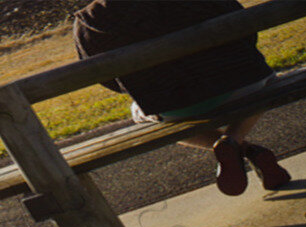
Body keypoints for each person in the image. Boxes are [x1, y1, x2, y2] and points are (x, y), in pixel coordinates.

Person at [73, 0, 292, 196]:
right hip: (244, 84)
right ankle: (233, 140)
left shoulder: (89, 21)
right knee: (268, 79)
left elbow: (108, 80)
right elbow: (245, 28)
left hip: (173, 106)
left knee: (139, 112)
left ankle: (241, 149)